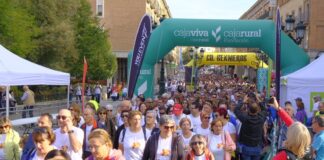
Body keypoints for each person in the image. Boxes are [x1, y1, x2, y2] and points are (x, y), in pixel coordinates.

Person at [234, 95, 267, 160]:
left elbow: (236, 110)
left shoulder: (245, 118)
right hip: (257, 147)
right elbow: (264, 109)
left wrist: (243, 101)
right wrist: (259, 100)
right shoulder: (261, 118)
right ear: (257, 110)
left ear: (248, 109)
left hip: (246, 147)